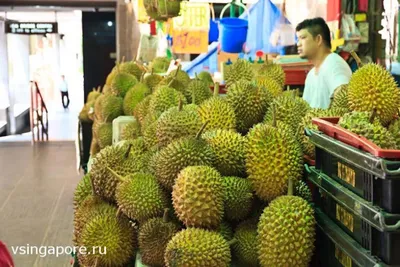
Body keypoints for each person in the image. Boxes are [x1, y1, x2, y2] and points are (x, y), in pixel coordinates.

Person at [296, 17, 352, 109]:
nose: (298, 44)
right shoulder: (311, 75)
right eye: (298, 39)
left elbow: (344, 98)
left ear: (318, 39)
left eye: (303, 38)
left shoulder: (334, 64)